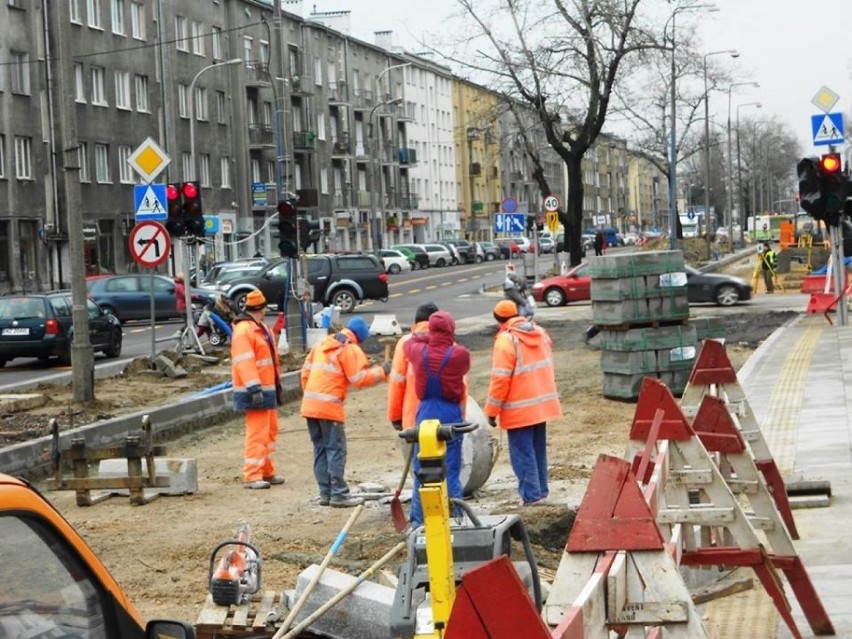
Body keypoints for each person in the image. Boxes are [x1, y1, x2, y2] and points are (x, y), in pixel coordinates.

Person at [301, 316, 391, 507]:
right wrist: (382, 371)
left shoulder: (323, 344)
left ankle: (326, 493)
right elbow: (359, 378)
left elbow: (305, 373)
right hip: (329, 408)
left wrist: (312, 398)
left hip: (310, 406)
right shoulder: (349, 348)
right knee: (335, 450)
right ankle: (339, 494)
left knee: (320, 450)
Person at [484, 300, 562, 506]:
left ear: (497, 319)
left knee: (523, 455)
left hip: (519, 410)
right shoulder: (540, 333)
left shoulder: (506, 340)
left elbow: (500, 379)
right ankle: (541, 492)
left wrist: (491, 411)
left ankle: (532, 497)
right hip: (542, 406)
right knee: (537, 451)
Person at [403, 310, 470, 527]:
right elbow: (463, 364)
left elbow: (409, 342)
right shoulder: (459, 354)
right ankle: (455, 519)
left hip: (425, 412)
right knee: (449, 468)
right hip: (450, 413)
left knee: (422, 468)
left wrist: (425, 337)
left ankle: (418, 522)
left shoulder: (418, 352)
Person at [230, 289, 285, 489]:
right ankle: (252, 475)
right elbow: (244, 362)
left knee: (269, 432)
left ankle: (266, 471)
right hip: (255, 391)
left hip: (266, 389)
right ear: (259, 309)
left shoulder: (259, 328)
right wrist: (254, 388)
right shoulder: (245, 331)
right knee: (257, 433)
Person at [387, 303, 440, 433]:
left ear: (416, 322)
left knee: (414, 453)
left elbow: (397, 383)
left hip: (413, 420)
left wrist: (395, 416)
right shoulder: (450, 344)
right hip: (444, 422)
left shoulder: (405, 344)